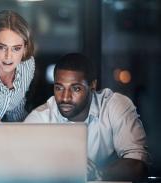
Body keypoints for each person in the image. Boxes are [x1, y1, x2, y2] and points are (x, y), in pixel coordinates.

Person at [24, 53, 149, 181]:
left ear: (92, 85)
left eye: (76, 89)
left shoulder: (114, 106)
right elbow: (18, 168)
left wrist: (96, 174)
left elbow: (138, 165)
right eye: (59, 88)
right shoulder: (40, 118)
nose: (65, 97)